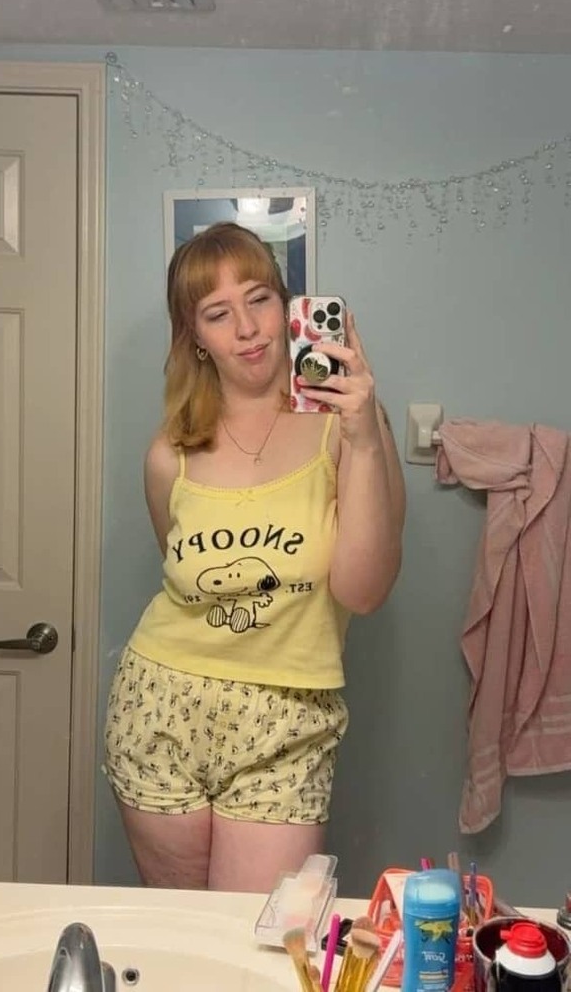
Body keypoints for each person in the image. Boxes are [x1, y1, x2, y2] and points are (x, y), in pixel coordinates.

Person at [104, 222, 405, 892]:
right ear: (195, 337)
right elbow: (184, 582)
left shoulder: (348, 428)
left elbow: (364, 590)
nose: (247, 328)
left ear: (285, 305)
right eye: (217, 313)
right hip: (159, 705)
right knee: (182, 931)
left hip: (289, 719)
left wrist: (363, 438)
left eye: (259, 298)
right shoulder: (170, 452)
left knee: (259, 935)